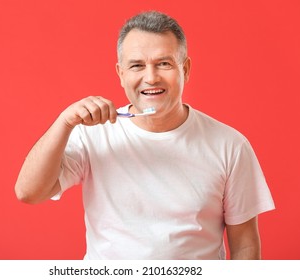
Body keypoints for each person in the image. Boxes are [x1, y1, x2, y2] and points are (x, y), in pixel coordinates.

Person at [15, 11, 275, 260]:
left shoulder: (230, 145)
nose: (151, 77)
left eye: (164, 64)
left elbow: (245, 244)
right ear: (121, 74)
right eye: (137, 65)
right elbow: (28, 192)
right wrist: (64, 122)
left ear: (185, 69)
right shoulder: (92, 134)